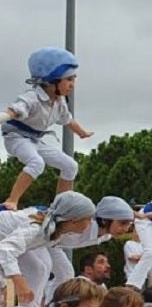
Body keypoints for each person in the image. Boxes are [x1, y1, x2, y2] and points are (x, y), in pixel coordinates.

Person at [1, 48, 91, 209]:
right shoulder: (32, 97)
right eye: (68, 79)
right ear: (51, 81)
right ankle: (12, 200)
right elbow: (15, 110)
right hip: (17, 138)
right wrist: (4, 116)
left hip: (35, 140)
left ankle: (61, 206)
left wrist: (82, 133)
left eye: (74, 79)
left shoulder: (59, 102)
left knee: (70, 166)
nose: (72, 85)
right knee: (36, 163)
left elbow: (68, 120)